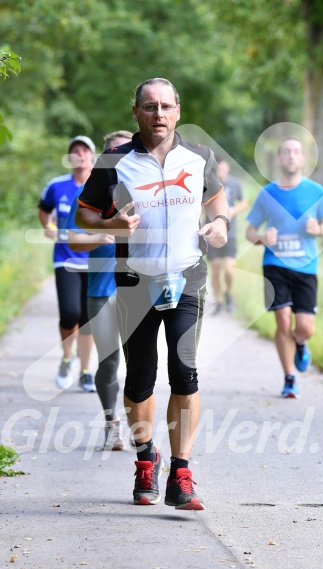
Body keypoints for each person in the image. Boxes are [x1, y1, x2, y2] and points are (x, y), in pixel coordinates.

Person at [75, 77, 229, 510]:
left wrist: (221, 226)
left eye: (165, 106)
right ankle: (147, 459)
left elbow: (218, 204)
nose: (158, 114)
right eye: (149, 106)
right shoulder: (114, 162)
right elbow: (83, 215)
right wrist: (110, 226)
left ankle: (181, 472)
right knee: (140, 380)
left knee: (185, 373)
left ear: (178, 110)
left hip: (187, 278)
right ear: (135, 112)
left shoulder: (199, 157)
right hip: (134, 283)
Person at [246, 137, 323, 398]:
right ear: (280, 159)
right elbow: (250, 231)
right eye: (286, 152)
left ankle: (301, 342)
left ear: (303, 159)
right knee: (283, 319)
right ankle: (289, 378)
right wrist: (262, 239)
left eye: (296, 152)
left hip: (306, 267)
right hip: (275, 265)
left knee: (305, 327)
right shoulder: (267, 193)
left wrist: (318, 229)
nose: (292, 156)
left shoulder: (316, 191)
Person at [67, 130, 133, 450]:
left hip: (139, 290)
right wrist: (104, 234)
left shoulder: (143, 191)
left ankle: (140, 424)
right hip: (102, 289)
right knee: (109, 361)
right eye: (112, 151)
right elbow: (72, 240)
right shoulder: (89, 195)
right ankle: (112, 422)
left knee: (141, 361)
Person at [38, 135, 97, 393]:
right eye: (75, 150)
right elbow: (43, 210)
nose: (80, 154)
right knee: (70, 313)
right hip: (65, 259)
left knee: (87, 320)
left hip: (94, 261)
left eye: (85, 150)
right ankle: (66, 357)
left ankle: (85, 371)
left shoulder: (102, 186)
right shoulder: (56, 186)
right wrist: (48, 227)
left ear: (92, 157)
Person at [207, 158, 247, 314]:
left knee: (229, 269)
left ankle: (228, 294)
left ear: (228, 168)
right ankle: (218, 302)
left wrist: (233, 211)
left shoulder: (235, 184)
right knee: (215, 268)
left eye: (223, 169)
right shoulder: (208, 184)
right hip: (212, 233)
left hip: (230, 233)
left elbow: (244, 202)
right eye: (218, 170)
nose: (220, 172)